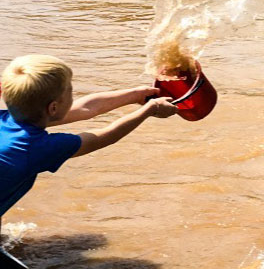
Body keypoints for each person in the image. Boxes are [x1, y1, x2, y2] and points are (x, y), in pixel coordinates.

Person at [0, 54, 178, 227]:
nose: (73, 95)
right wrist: (150, 109)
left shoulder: (10, 118)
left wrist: (136, 95)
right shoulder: (37, 147)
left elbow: (85, 108)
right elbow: (105, 136)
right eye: (70, 90)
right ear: (53, 107)